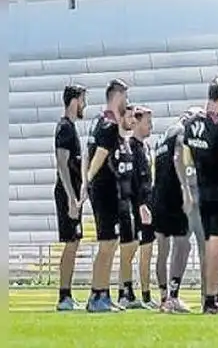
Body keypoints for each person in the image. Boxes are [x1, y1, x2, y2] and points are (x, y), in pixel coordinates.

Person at [182, 76, 218, 314]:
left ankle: (213, 295)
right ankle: (210, 299)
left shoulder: (192, 123)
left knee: (209, 245)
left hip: (202, 189)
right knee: (216, 247)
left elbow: (187, 155)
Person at [83, 78, 130, 313]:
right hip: (105, 189)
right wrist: (88, 181)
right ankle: (97, 295)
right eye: (125, 97)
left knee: (110, 244)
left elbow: (86, 153)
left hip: (101, 188)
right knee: (107, 244)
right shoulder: (109, 125)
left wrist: (86, 181)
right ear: (117, 96)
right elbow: (99, 155)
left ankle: (102, 293)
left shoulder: (97, 122)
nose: (127, 102)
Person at [154, 107, 201, 314]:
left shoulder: (163, 138)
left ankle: (165, 297)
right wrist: (185, 190)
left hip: (160, 195)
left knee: (166, 249)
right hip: (173, 196)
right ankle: (172, 296)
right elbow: (177, 159)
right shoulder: (181, 132)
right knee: (182, 246)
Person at [54, 84, 87, 311]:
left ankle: (67, 295)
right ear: (75, 101)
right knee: (70, 243)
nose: (84, 104)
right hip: (68, 193)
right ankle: (63, 296)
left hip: (73, 192)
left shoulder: (71, 127)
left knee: (74, 243)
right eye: (83, 100)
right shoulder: (65, 127)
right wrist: (70, 198)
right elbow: (62, 164)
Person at [122, 106, 157, 309]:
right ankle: (126, 292)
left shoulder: (145, 147)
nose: (151, 126)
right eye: (147, 122)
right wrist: (141, 204)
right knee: (132, 250)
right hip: (137, 205)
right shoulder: (130, 147)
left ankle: (145, 294)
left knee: (147, 251)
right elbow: (133, 180)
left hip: (148, 203)